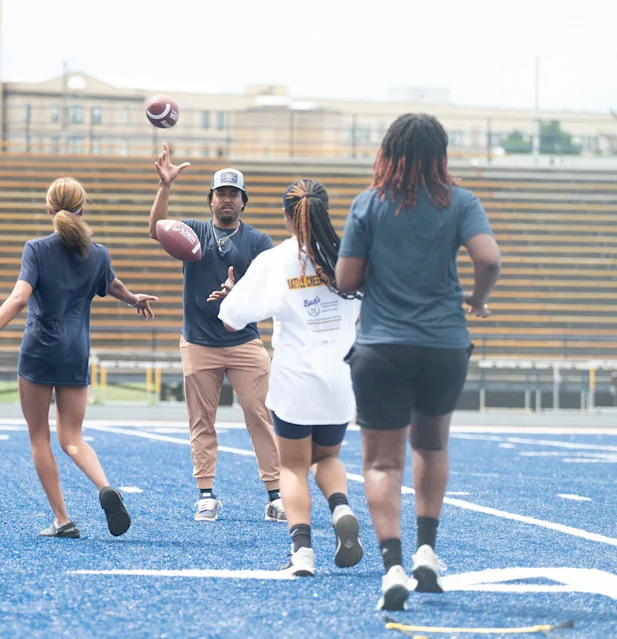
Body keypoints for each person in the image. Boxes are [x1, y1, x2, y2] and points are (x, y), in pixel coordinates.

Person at [335, 113, 501, 609]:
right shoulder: (461, 201)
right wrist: (476, 298)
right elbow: (489, 259)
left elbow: (345, 280)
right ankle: (427, 550)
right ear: (440, 155)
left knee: (383, 461)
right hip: (445, 344)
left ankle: (392, 568)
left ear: (388, 153)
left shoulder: (369, 204)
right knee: (432, 447)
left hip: (383, 346)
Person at [0, 177, 157, 539]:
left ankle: (62, 520)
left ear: (49, 210)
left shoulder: (36, 248)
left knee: (39, 438)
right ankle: (104, 486)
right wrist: (134, 299)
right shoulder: (98, 253)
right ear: (84, 208)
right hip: (75, 352)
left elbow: (18, 300)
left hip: (39, 352)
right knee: (72, 438)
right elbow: (113, 286)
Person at [218, 179, 364, 577]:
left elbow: (230, 319)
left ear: (287, 217)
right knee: (329, 457)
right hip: (340, 376)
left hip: (295, 380)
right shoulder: (349, 255)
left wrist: (236, 291)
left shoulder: (275, 259)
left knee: (294, 467)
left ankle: (302, 554)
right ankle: (342, 509)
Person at [149, 144, 283, 523]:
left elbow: (268, 292)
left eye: (234, 194)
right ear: (210, 200)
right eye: (221, 193)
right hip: (199, 341)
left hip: (243, 340)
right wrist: (164, 187)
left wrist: (236, 293)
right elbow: (155, 230)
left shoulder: (258, 242)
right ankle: (206, 495)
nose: (227, 199)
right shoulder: (192, 230)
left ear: (243, 202)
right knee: (201, 421)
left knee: (261, 415)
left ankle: (275, 494)